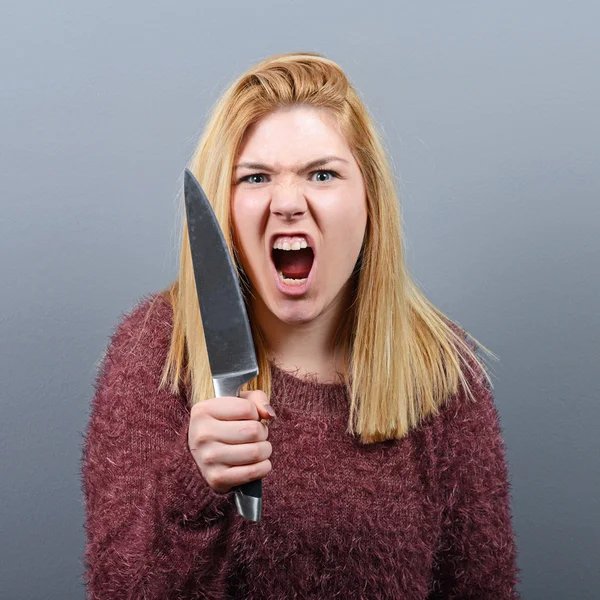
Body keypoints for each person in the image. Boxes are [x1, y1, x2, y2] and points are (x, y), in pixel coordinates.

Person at [81, 51, 521, 599]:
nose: (288, 202)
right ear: (223, 205)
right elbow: (117, 588)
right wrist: (192, 486)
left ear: (370, 201)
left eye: (322, 173)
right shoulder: (159, 351)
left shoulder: (442, 374)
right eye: (257, 177)